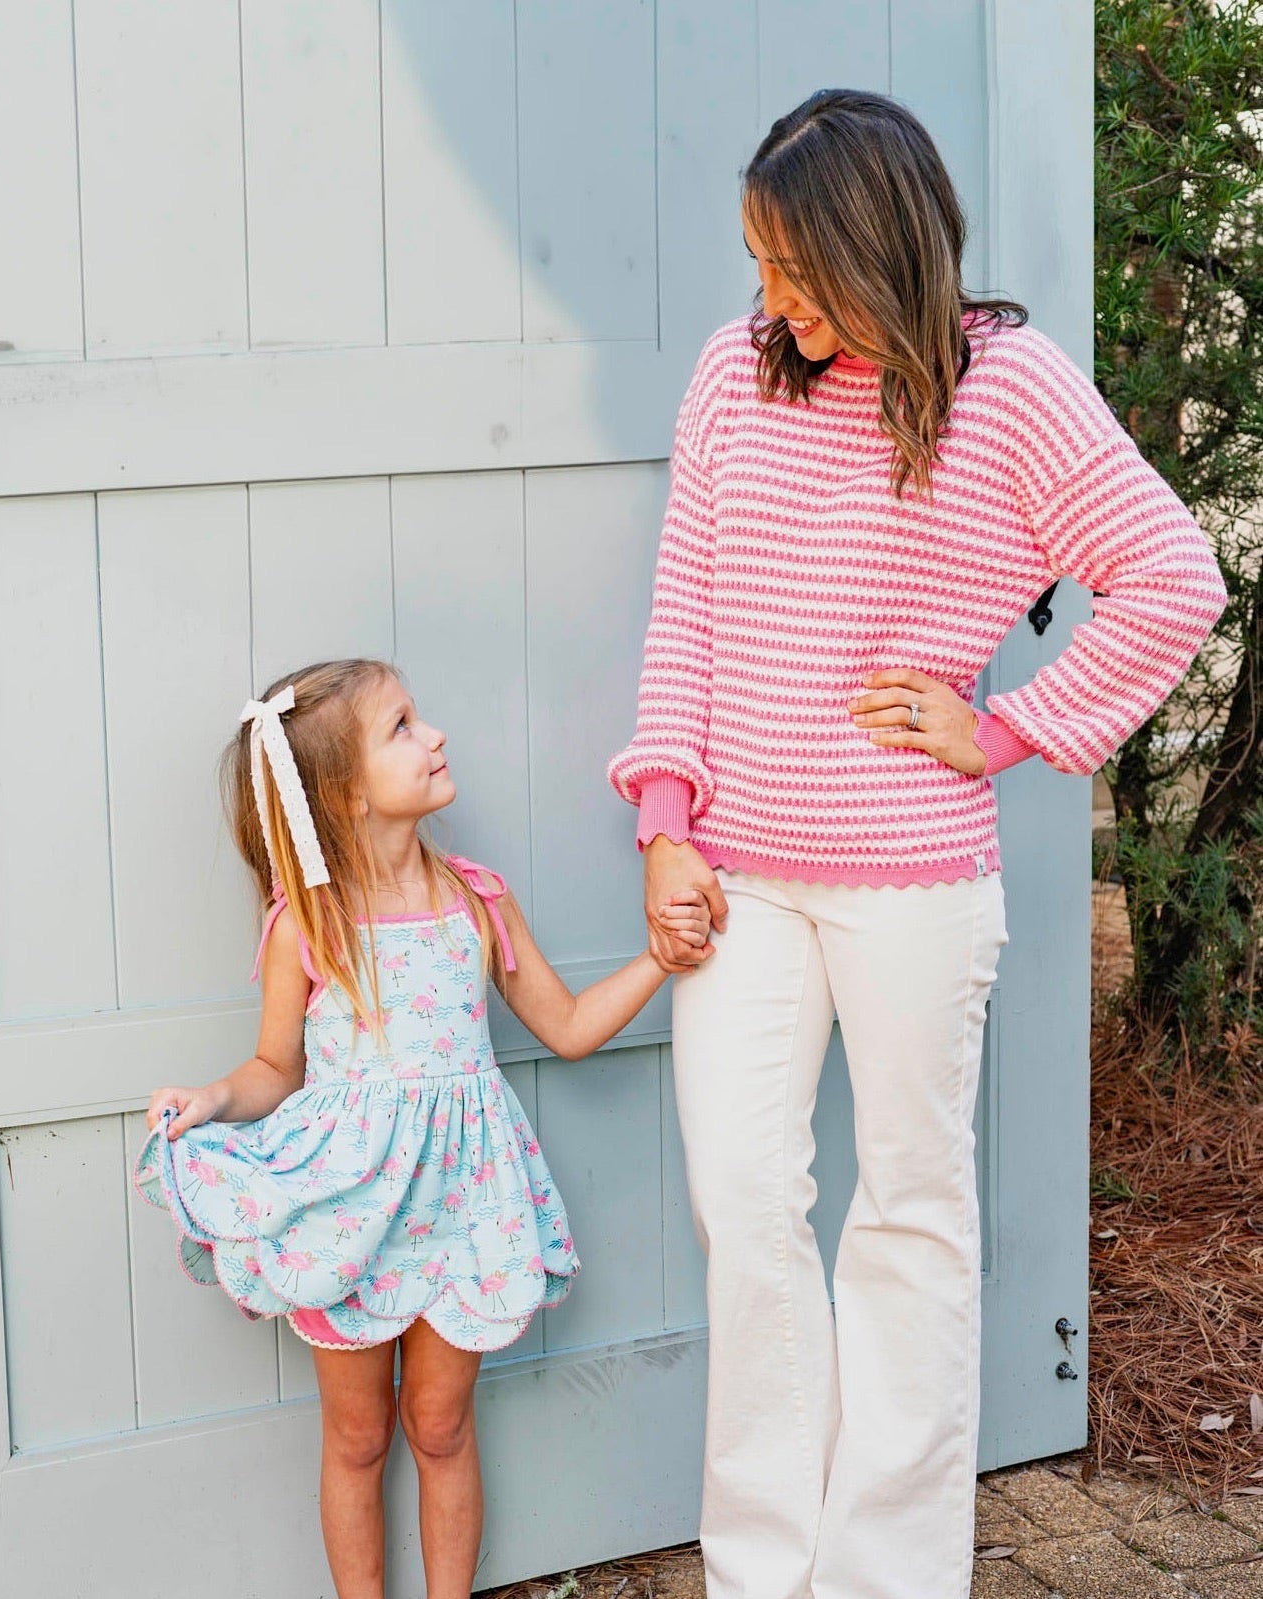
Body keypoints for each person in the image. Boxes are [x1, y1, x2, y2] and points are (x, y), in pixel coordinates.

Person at [608, 89, 1226, 1599]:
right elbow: (685, 602)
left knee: (907, 1215)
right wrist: (662, 821)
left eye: (794, 271)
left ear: (875, 247)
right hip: (738, 874)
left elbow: (1168, 576)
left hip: (911, 884)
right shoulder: (727, 375)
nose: (770, 300)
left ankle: (886, 1574)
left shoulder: (1005, 391)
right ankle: (762, 1566)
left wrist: (1004, 725)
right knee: (745, 1203)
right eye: (758, 267)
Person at [134, 657, 709, 1599]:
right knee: (358, 1436)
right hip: (348, 1209)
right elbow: (277, 1066)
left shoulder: (477, 901)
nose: (435, 735)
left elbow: (564, 1027)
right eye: (403, 726)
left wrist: (658, 960)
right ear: (347, 792)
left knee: (440, 1426)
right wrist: (212, 1099)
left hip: (458, 1205)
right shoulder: (307, 925)